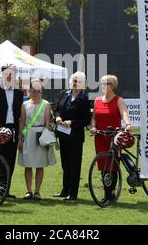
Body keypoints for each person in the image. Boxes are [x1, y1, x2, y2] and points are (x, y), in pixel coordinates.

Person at [89, 75, 132, 204]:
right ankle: (106, 194)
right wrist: (93, 126)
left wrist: (128, 124)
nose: (102, 86)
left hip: (114, 137)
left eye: (104, 84)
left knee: (112, 167)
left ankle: (111, 195)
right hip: (100, 136)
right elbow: (94, 118)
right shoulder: (97, 100)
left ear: (112, 86)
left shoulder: (118, 100)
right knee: (103, 166)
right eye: (101, 83)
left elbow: (124, 113)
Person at [0, 64, 24, 198]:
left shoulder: (19, 92)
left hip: (12, 129)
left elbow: (18, 114)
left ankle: (4, 190)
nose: (10, 76)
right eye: (7, 73)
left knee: (10, 160)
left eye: (13, 73)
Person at [53, 72, 91, 201]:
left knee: (74, 165)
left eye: (78, 81)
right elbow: (57, 109)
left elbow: (86, 120)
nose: (75, 83)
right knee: (65, 164)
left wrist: (72, 122)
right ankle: (65, 190)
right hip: (63, 134)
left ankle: (73, 194)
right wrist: (57, 117)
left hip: (75, 137)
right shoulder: (64, 94)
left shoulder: (84, 99)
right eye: (74, 80)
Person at [18, 79, 56, 201]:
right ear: (30, 90)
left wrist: (47, 138)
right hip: (28, 135)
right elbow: (22, 122)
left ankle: (37, 191)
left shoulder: (46, 104)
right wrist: (20, 139)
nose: (36, 93)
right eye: (34, 91)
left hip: (40, 136)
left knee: (40, 165)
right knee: (28, 165)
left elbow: (47, 123)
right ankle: (28, 191)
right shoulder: (24, 105)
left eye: (38, 91)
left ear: (41, 91)